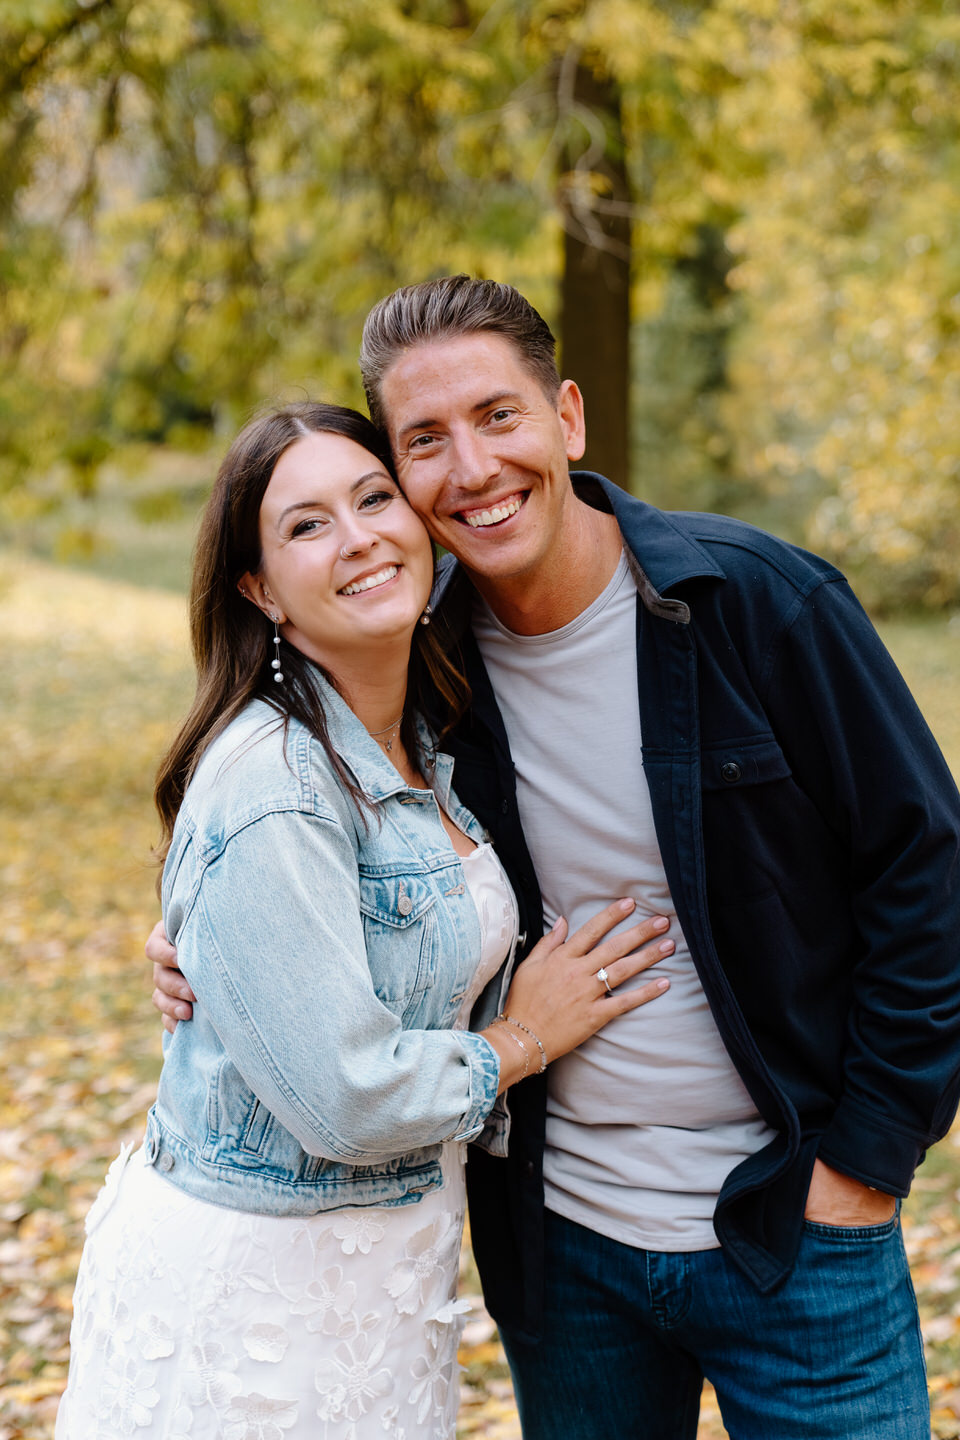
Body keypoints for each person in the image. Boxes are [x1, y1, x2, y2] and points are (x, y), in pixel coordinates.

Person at [152, 278, 960, 1440]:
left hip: (797, 1236)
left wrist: (868, 1163)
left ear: (568, 420)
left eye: (498, 416)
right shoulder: (417, 662)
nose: (471, 469)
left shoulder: (760, 607)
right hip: (563, 1255)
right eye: (423, 442)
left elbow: (924, 873)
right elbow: (298, 832)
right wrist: (190, 936)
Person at [57, 400, 673, 1440]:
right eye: (306, 525)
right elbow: (345, 1097)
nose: (359, 538)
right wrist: (519, 1040)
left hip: (381, 1282)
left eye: (375, 498)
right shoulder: (275, 783)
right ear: (258, 588)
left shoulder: (428, 737)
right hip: (264, 1299)